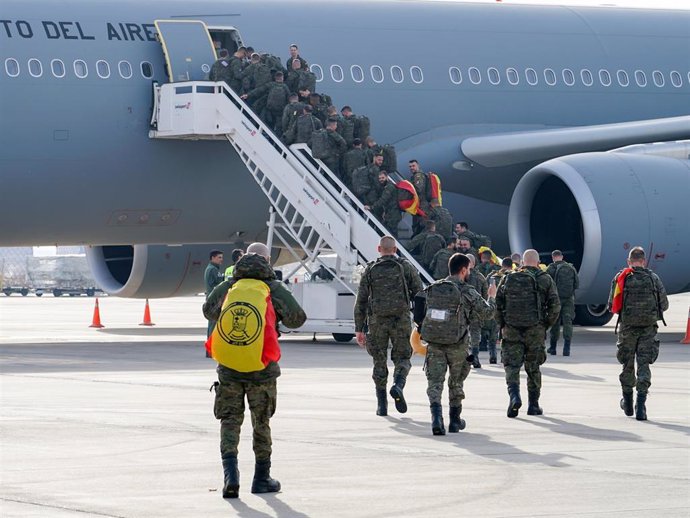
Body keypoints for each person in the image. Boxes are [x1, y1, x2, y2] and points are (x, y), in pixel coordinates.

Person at [203, 243, 307, 498]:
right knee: (261, 422)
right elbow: (298, 318)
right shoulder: (272, 288)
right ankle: (261, 478)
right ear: (268, 260)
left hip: (228, 368)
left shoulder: (229, 285)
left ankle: (231, 476)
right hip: (262, 368)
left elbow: (208, 311)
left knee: (230, 421)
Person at [414, 253, 497, 435]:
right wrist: (492, 297)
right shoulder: (467, 290)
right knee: (456, 382)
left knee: (435, 383)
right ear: (463, 270)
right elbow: (488, 313)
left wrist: (422, 328)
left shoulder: (433, 288)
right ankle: (454, 421)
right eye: (468, 269)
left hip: (434, 344)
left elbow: (418, 309)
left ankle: (436, 419)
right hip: (458, 344)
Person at [354, 236, 423, 417]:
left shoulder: (369, 269)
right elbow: (419, 295)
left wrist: (359, 328)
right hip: (400, 320)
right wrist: (421, 322)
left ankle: (381, 404)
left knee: (379, 360)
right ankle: (398, 385)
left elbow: (361, 300)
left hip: (377, 321)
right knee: (403, 358)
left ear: (379, 249)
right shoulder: (406, 267)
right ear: (395, 249)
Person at [495, 249, 560, 418]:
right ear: (538, 263)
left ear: (522, 263)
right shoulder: (545, 279)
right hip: (535, 330)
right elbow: (555, 306)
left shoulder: (508, 278)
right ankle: (533, 405)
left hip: (511, 329)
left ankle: (514, 396)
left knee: (511, 366)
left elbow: (497, 304)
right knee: (533, 368)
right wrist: (544, 325)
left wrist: (502, 324)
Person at [607, 246, 668, 421]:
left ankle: (627, 403)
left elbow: (612, 305)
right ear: (644, 261)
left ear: (629, 261)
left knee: (627, 365)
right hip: (648, 330)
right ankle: (641, 407)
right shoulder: (653, 278)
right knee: (644, 366)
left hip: (627, 329)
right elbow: (664, 304)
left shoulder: (621, 278)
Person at [480, 256, 513, 364]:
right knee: (506, 334)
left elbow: (485, 289)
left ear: (502, 265)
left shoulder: (492, 276)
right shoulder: (514, 276)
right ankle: (504, 356)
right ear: (511, 265)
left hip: (494, 306)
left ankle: (493, 354)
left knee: (493, 332)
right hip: (508, 309)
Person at [546, 250, 580, 356]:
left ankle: (553, 348)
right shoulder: (571, 268)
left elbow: (546, 284)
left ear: (553, 257)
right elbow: (576, 284)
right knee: (568, 322)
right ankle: (566, 348)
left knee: (555, 323)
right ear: (562, 257)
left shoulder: (551, 268)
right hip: (568, 299)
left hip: (556, 299)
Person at [465, 254, 488, 368]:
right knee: (475, 335)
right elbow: (485, 295)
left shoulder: (460, 276)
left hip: (463, 310)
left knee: (462, 334)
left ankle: (465, 358)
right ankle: (475, 357)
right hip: (476, 310)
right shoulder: (480, 277)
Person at [366, 170, 402, 237]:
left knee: (391, 235)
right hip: (390, 214)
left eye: (382, 178)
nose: (381, 180)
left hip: (393, 215)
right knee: (385, 233)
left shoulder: (389, 187)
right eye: (379, 178)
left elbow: (383, 200)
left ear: (387, 177)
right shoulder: (387, 186)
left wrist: (372, 207)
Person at [205, 250, 225, 337]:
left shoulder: (213, 269)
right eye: (219, 257)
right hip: (214, 300)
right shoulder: (212, 270)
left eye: (221, 257)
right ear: (213, 258)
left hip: (213, 299)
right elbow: (214, 285)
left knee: (213, 323)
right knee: (213, 324)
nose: (221, 260)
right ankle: (211, 347)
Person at [409, 159, 429, 234]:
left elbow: (418, 189)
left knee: (420, 227)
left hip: (421, 205)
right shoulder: (416, 175)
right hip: (420, 205)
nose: (411, 168)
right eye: (410, 166)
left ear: (418, 166)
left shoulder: (418, 175)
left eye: (413, 166)